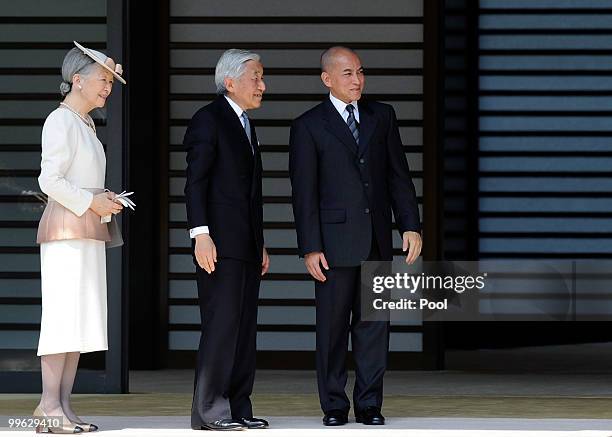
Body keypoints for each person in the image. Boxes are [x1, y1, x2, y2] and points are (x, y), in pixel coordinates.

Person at [289, 46, 422, 426]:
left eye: (360, 72)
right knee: (331, 331)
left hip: (377, 239)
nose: (357, 80)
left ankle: (369, 405)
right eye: (347, 73)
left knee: (374, 330)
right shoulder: (308, 125)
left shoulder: (383, 116)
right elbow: (304, 193)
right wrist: (309, 247)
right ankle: (333, 405)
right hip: (332, 245)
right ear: (327, 79)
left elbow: (399, 175)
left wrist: (410, 224)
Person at [34, 41, 126, 433]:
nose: (108, 87)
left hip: (84, 226)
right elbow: (48, 180)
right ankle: (47, 406)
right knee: (61, 318)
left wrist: (103, 200)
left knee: (76, 319)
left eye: (110, 81)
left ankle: (62, 407)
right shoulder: (60, 121)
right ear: (77, 80)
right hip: (68, 228)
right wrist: (93, 202)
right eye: (102, 80)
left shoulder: (84, 122)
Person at [184, 49, 270, 431]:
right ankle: (210, 411)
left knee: (244, 328)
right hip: (217, 244)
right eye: (255, 77)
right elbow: (195, 184)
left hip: (246, 245)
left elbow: (250, 195)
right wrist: (200, 234)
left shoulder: (246, 125)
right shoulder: (209, 120)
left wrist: (260, 242)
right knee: (221, 326)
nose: (262, 85)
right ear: (230, 81)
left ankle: (239, 406)